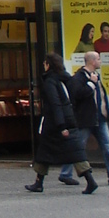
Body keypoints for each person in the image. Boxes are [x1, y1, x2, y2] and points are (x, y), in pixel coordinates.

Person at [26, 53, 97, 194]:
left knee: (46, 151)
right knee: (70, 150)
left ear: (48, 65)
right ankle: (39, 182)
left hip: (55, 122)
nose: (43, 66)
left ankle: (39, 183)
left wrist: (61, 125)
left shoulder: (50, 81)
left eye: (45, 63)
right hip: (69, 118)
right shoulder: (67, 78)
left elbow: (55, 103)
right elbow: (75, 96)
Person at [61, 52, 109, 186]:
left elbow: (101, 96)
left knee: (107, 146)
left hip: (100, 117)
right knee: (78, 146)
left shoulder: (96, 76)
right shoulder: (78, 78)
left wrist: (106, 112)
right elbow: (77, 95)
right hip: (85, 119)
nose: (100, 61)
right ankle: (65, 173)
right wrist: (91, 83)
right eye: (98, 59)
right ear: (91, 61)